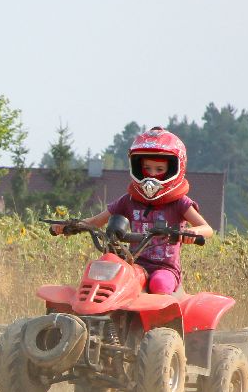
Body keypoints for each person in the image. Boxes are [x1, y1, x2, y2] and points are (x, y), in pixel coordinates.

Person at [51, 126, 214, 294]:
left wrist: (191, 233)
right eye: (147, 169)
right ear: (138, 167)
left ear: (174, 169)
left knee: (159, 285)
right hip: (135, 265)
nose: (152, 175)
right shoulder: (129, 200)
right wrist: (69, 226)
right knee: (107, 279)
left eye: (159, 170)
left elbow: (207, 229)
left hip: (165, 269)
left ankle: (162, 321)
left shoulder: (180, 203)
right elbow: (95, 222)